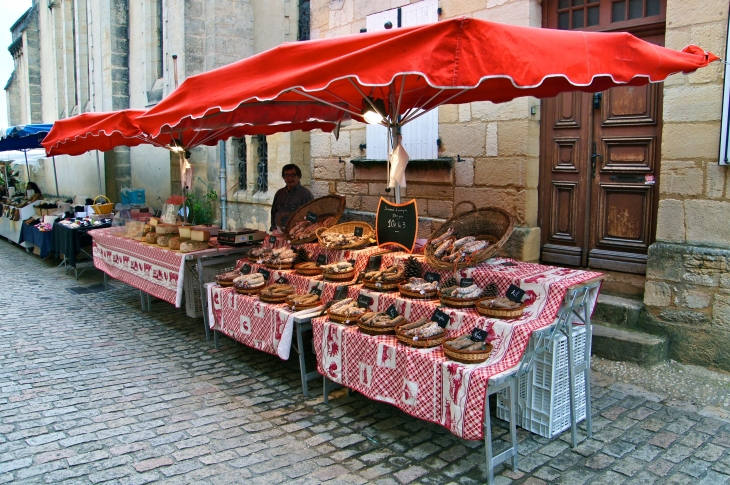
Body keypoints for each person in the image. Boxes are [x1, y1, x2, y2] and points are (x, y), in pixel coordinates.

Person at [270, 164, 313, 232]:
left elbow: (311, 217)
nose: (290, 178)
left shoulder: (306, 195)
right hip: (278, 231)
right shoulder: (279, 193)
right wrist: (273, 228)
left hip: (296, 233)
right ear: (283, 178)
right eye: (286, 175)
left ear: (299, 177)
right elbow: (273, 212)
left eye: (293, 175)